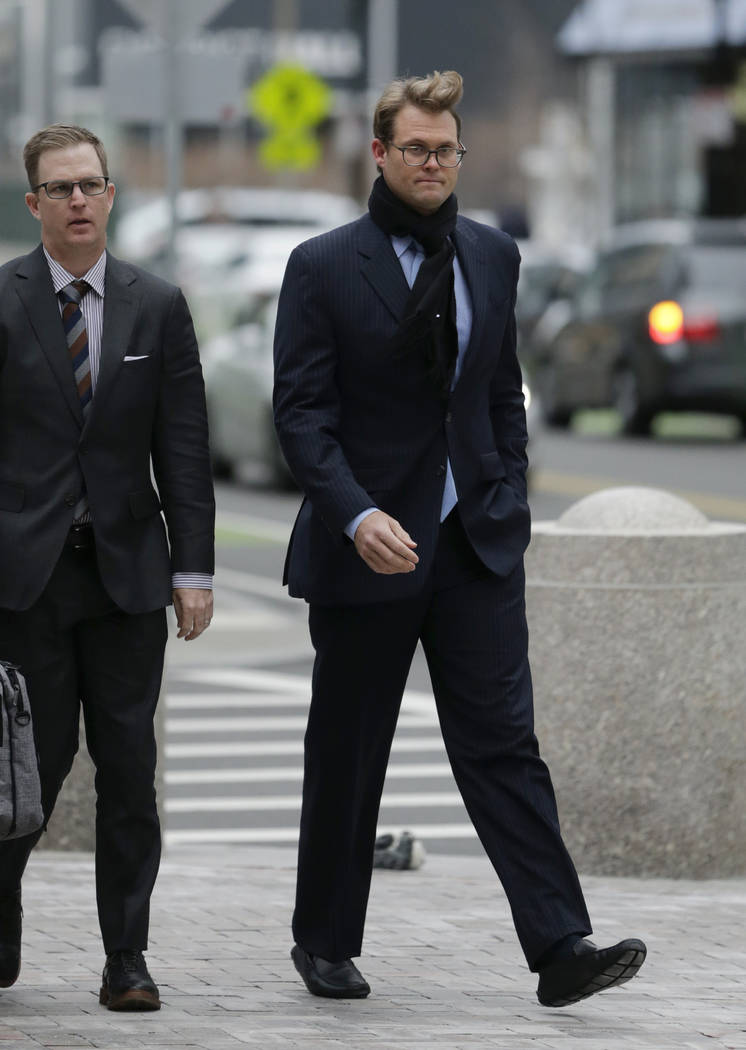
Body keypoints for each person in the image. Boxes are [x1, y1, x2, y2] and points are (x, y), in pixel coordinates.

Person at [273, 71, 646, 1008]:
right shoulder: (322, 266)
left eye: (448, 150)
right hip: (369, 547)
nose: (435, 164)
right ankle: (323, 940)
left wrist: (507, 492)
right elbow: (302, 417)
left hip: (475, 546)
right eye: (418, 149)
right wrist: (356, 515)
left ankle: (562, 945)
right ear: (382, 154)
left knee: (504, 746)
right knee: (350, 750)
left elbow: (495, 394)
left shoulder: (493, 255)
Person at [0, 124, 215, 1011]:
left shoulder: (156, 305)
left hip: (126, 576)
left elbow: (186, 448)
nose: (79, 200)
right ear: (35, 203)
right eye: (61, 189)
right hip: (26, 583)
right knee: (26, 774)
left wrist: (194, 570)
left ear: (112, 194)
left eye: (92, 184)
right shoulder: (4, 300)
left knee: (130, 771)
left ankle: (126, 957)